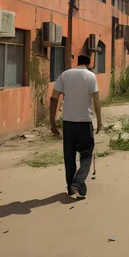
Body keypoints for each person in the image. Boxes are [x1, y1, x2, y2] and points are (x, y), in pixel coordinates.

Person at [50, 55, 102, 198]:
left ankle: (70, 187)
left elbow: (54, 99)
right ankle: (78, 182)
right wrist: (99, 121)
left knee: (69, 156)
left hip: (68, 123)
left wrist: (52, 122)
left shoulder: (65, 75)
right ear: (89, 63)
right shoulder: (91, 76)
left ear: (77, 62)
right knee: (86, 154)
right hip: (84, 122)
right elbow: (96, 101)